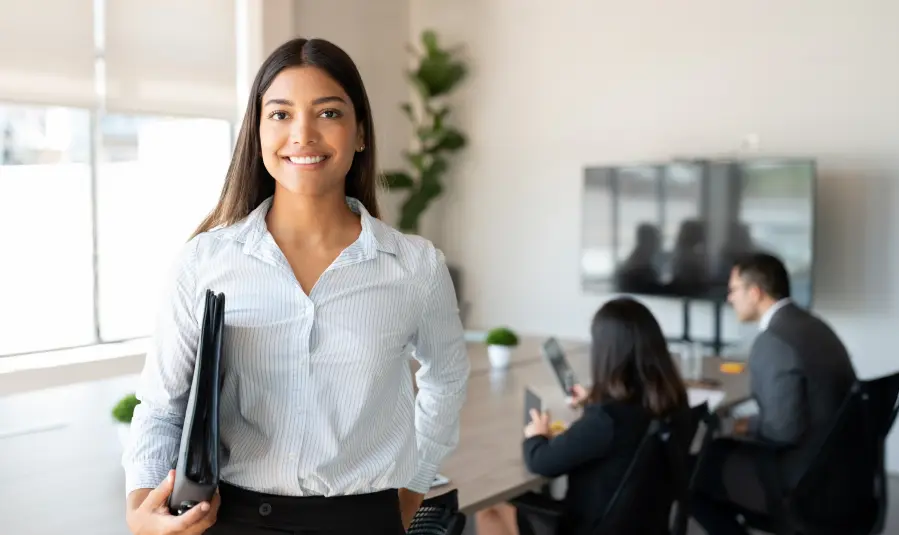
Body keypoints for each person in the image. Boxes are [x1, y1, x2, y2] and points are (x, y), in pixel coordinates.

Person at [121, 37, 470, 535]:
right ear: (258, 132)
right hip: (232, 519)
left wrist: (412, 484)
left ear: (361, 132)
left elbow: (448, 379)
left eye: (327, 113)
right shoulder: (204, 261)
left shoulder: (415, 267)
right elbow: (162, 407)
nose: (302, 135)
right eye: (280, 115)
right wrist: (142, 507)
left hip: (364, 519)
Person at [475, 297, 692, 535]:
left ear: (607, 353)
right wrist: (594, 400)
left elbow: (541, 461)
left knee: (489, 507)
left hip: (591, 527)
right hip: (644, 525)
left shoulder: (606, 421)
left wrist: (535, 435)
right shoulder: (672, 402)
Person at [691, 253, 856, 535]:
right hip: (838, 470)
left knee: (691, 469)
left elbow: (782, 431)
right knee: (717, 449)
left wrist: (734, 426)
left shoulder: (774, 341)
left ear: (754, 293)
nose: (729, 299)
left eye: (733, 290)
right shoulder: (815, 326)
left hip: (800, 477)